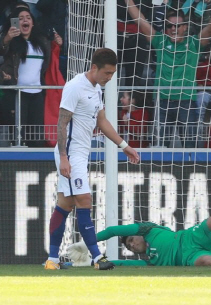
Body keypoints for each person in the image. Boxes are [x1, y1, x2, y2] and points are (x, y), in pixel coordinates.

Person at [44, 48, 141, 271]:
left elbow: (102, 120)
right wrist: (63, 157)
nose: (109, 78)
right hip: (70, 154)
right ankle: (97, 258)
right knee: (85, 200)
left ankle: (52, 260)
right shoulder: (75, 87)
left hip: (80, 154)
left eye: (112, 74)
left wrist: (124, 146)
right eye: (107, 73)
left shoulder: (96, 89)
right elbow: (61, 123)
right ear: (94, 68)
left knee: (65, 204)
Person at [124, 0, 211, 147]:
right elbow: (140, 21)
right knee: (159, 149)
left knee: (190, 147)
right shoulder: (160, 41)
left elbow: (210, 29)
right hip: (162, 102)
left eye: (177, 26)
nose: (173, 29)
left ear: (185, 27)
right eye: (170, 26)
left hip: (186, 102)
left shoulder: (194, 43)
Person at [67, 213, 211, 268]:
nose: (132, 244)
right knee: (208, 263)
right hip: (190, 257)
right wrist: (88, 262)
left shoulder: (149, 229)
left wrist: (88, 242)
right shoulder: (149, 263)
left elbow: (115, 229)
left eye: (132, 240)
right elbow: (118, 263)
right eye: (129, 246)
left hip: (192, 236)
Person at [0, 7, 62, 147]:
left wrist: (57, 45)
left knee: (35, 132)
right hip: (16, 93)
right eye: (20, 19)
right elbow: (1, 50)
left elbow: (49, 63)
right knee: (18, 132)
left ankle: (37, 162)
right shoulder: (11, 41)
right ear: (14, 23)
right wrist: (7, 38)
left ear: (33, 23)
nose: (25, 20)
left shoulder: (42, 42)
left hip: (37, 93)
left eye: (28, 17)